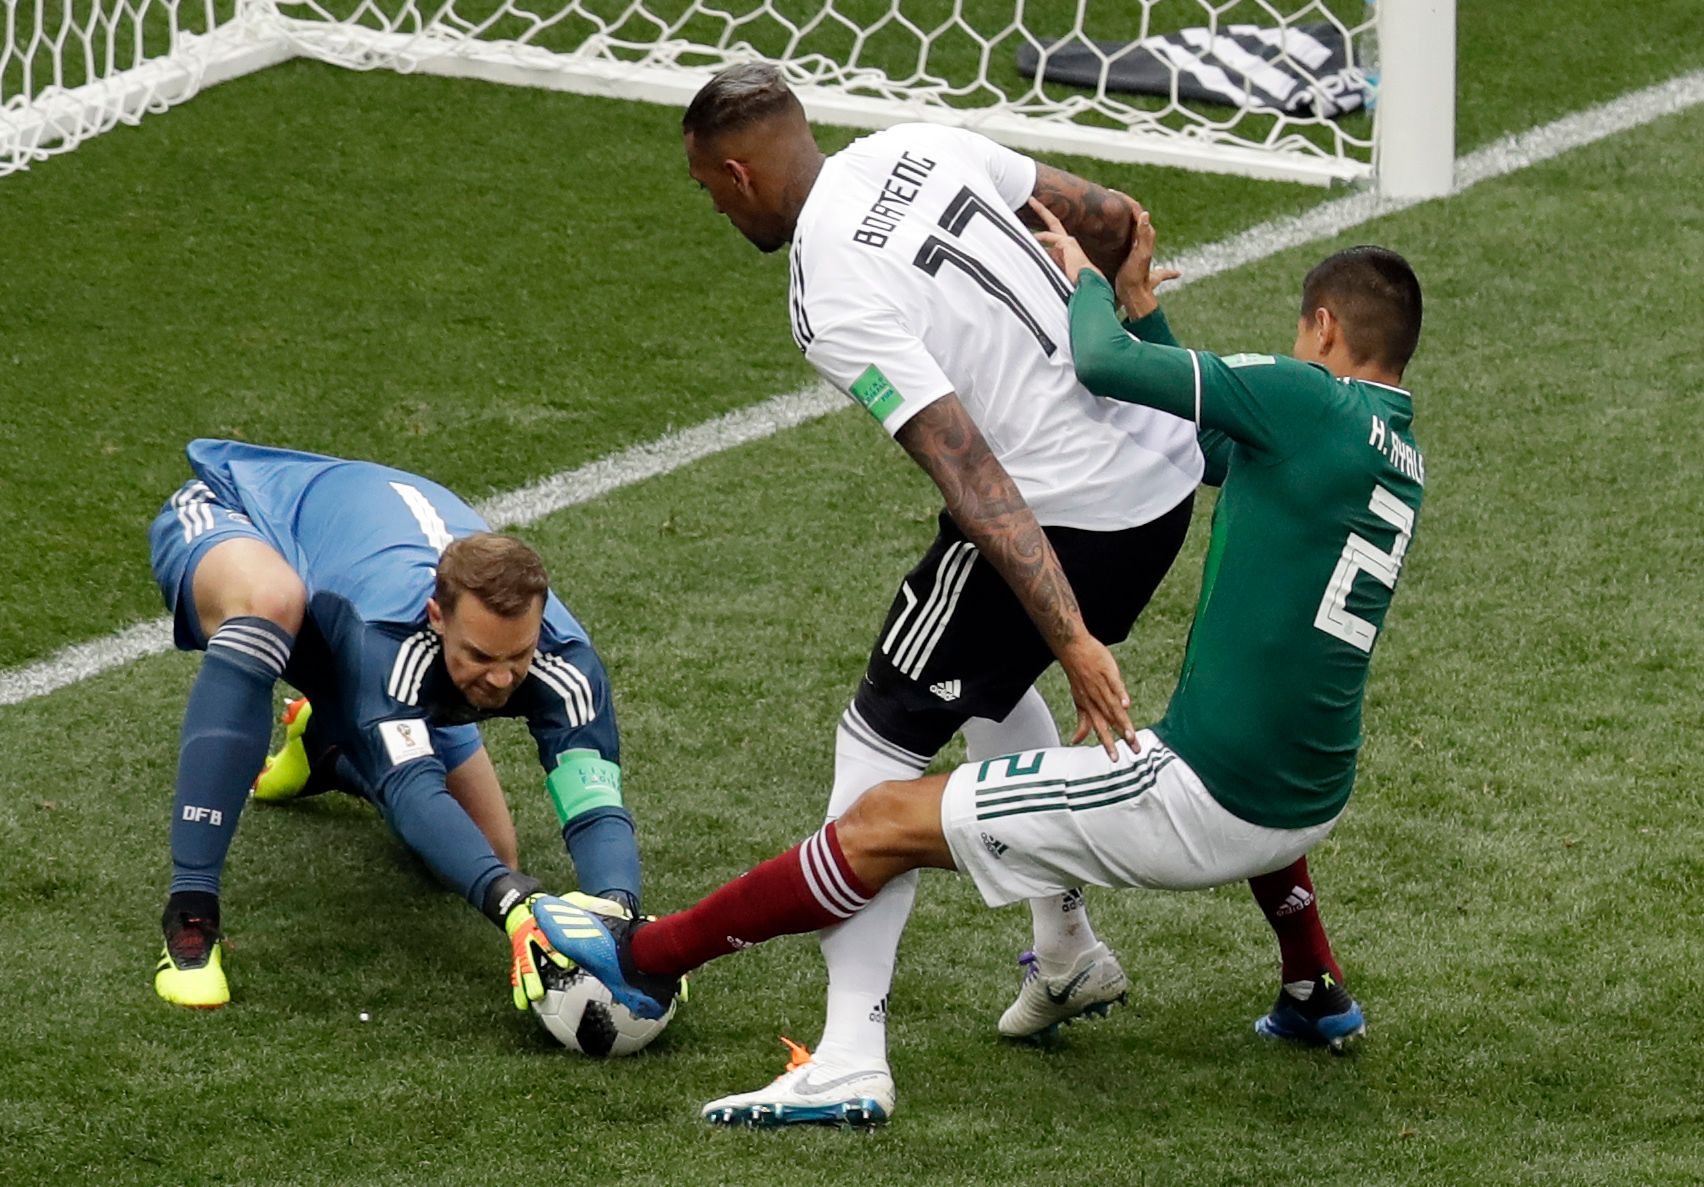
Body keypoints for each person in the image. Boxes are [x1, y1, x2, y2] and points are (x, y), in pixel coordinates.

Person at [537, 218, 1427, 1126]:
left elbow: (1103, 362)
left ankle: (652, 960)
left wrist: (1088, 280)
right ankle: (1313, 981)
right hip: (1307, 792)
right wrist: (1151, 308)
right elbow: (1208, 453)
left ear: (1322, 327)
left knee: (882, 816)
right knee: (1239, 724)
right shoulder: (1393, 455)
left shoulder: (1310, 400)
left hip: (1204, 799)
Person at [680, 63, 1204, 1122]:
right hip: (1163, 471)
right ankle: (1066, 948)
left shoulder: (824, 287)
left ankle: (846, 1051)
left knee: (877, 745)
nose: (715, 206)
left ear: (736, 173)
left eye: (707, 188)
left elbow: (972, 472)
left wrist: (1072, 635)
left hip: (1070, 509)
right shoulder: (912, 141)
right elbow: (1114, 219)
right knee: (974, 674)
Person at [148, 438, 648, 1010]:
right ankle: (190, 913)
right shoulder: (389, 638)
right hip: (240, 514)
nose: (503, 680)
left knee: (490, 853)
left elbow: (595, 800)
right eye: (481, 656)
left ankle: (329, 750)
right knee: (270, 603)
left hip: (357, 608)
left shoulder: (566, 660)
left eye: (520, 656)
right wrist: (513, 905)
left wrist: (618, 908)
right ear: (437, 618)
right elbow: (412, 790)